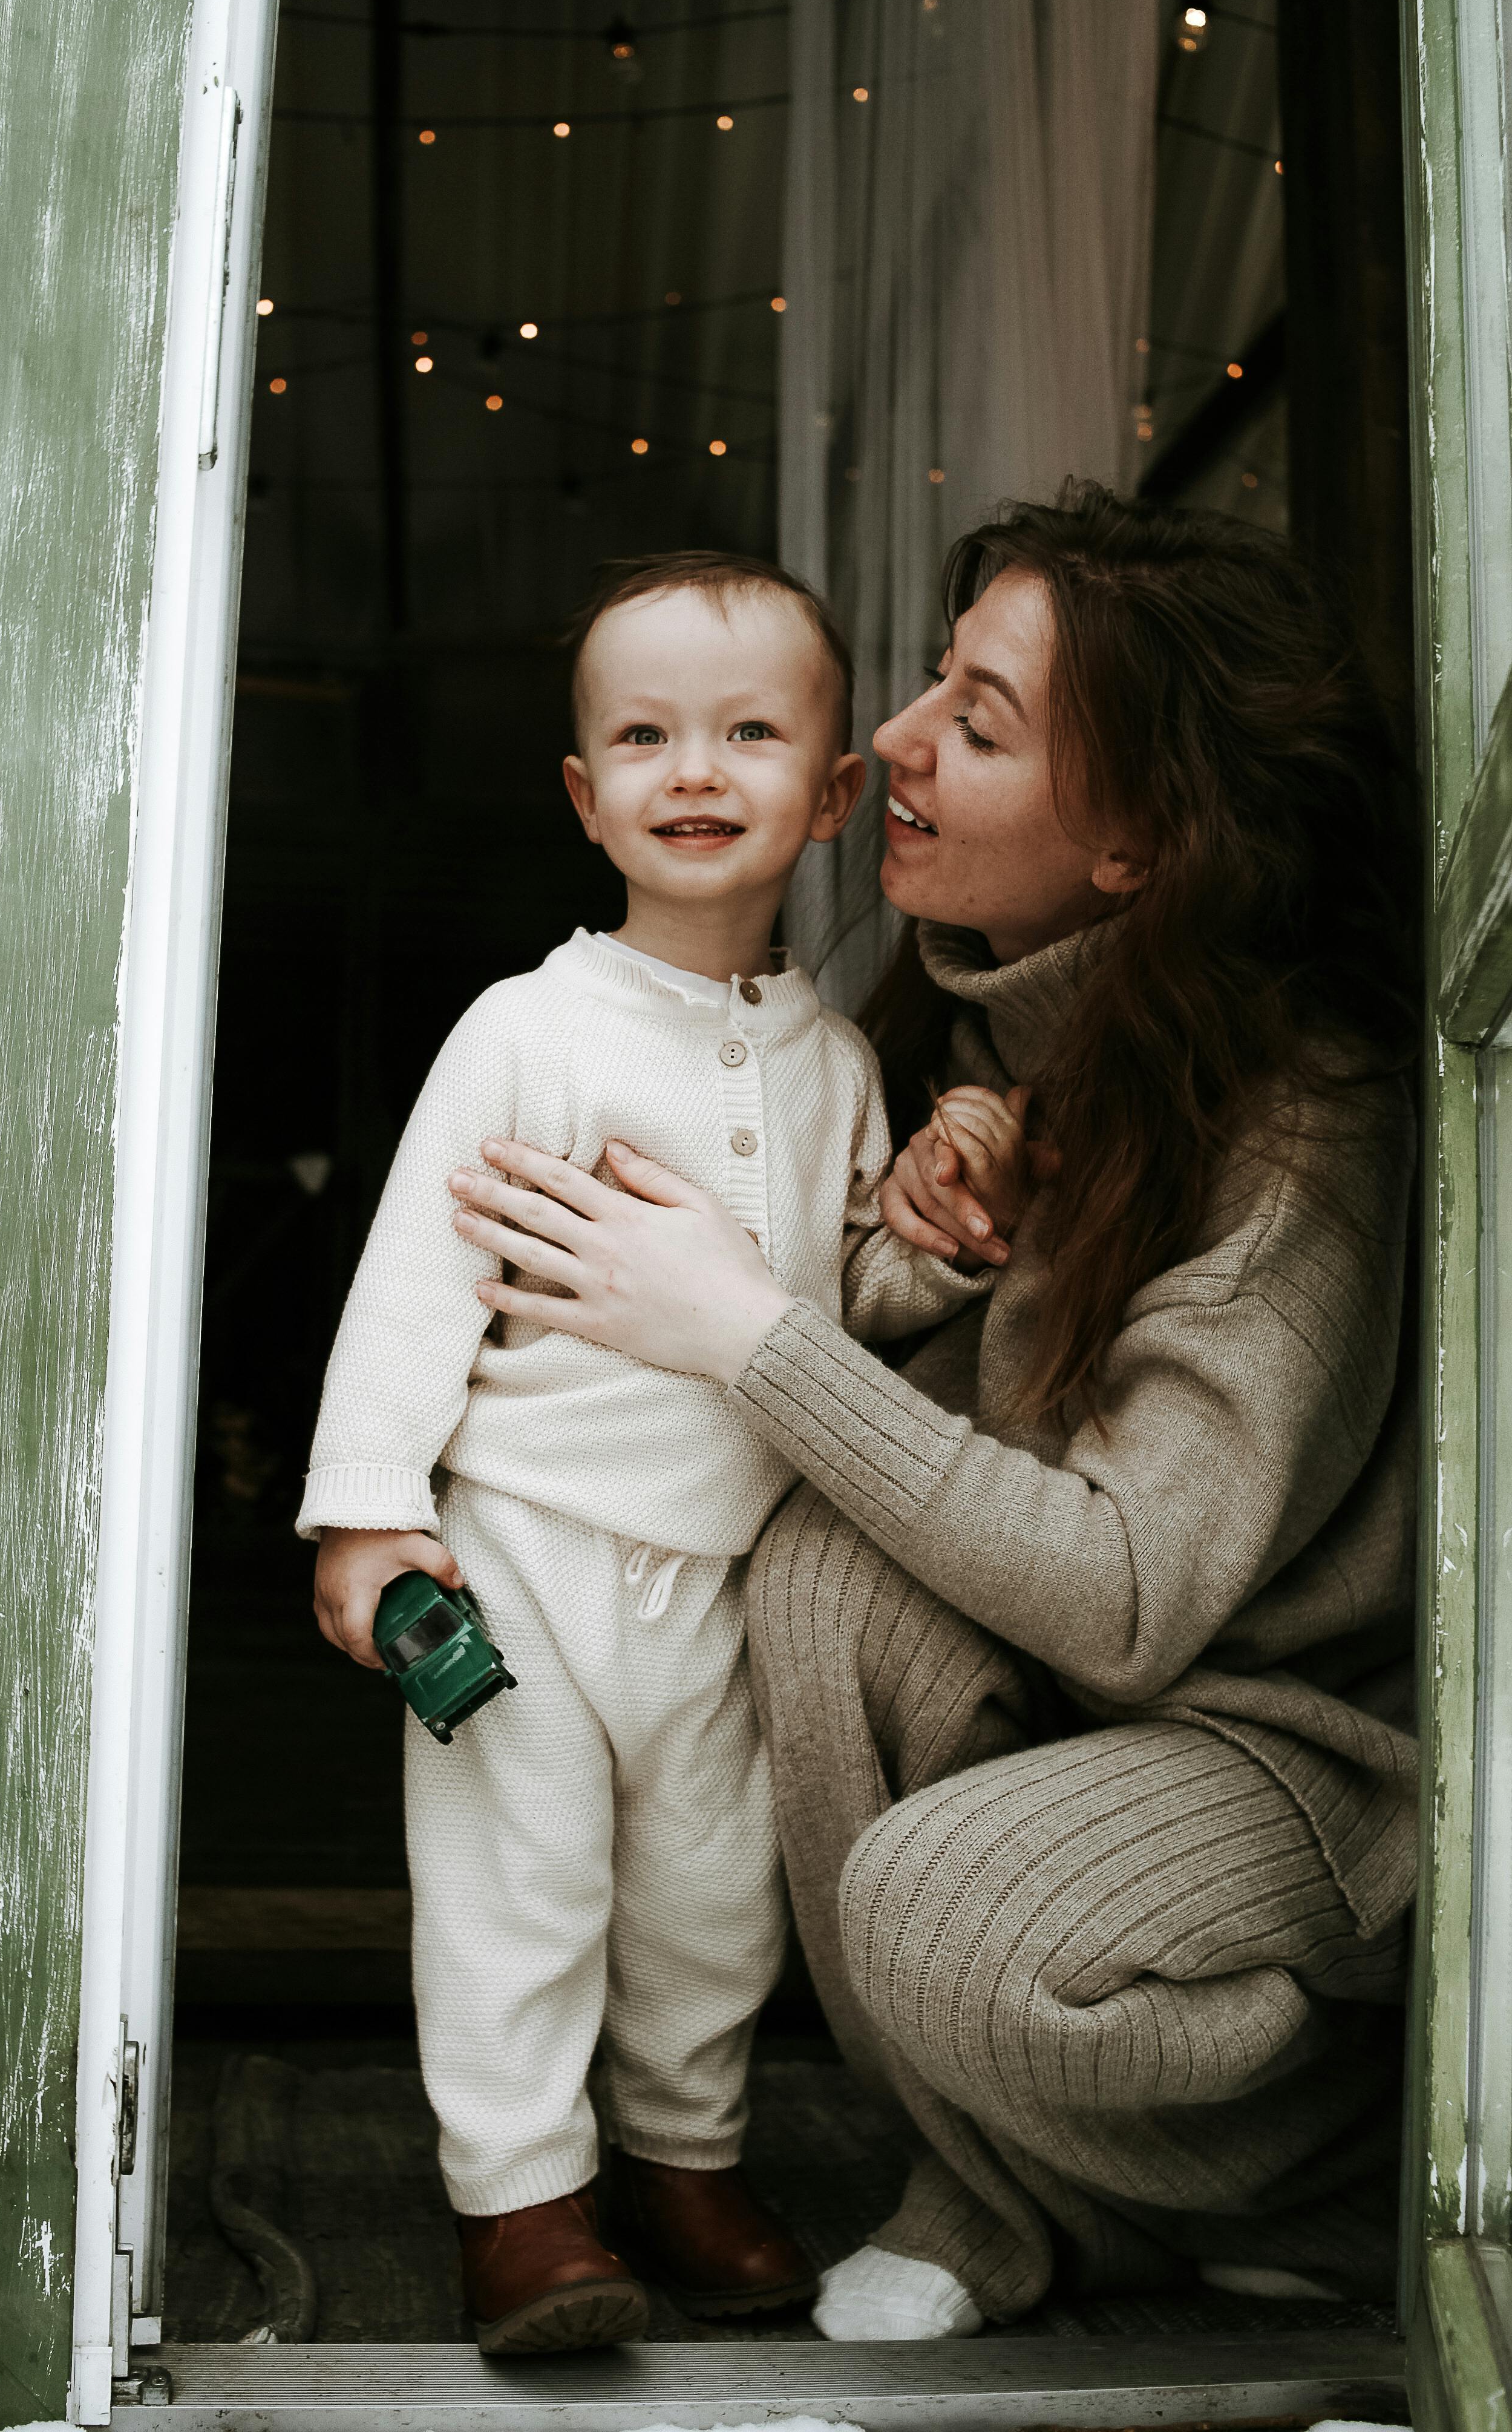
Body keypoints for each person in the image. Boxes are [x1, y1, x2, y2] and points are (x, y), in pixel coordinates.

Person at [443, 486, 1421, 2341]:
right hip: (1097, 1709)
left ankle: (1324, 2174)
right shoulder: (976, 1031)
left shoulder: (1300, 1139)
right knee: (816, 1570)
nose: (887, 741)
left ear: (1136, 842)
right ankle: (993, 2197)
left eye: (976, 725)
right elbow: (904, 1447)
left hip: (1292, 1768)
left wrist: (750, 1330)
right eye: (929, 687)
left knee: (937, 1912)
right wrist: (907, 1245)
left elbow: (1133, 1591)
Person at [299, 550, 979, 2355]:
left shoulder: (834, 1056)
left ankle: (683, 2161)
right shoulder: (529, 1032)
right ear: (589, 799)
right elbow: (416, 1280)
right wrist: (370, 1516)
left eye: (751, 732)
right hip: (526, 1546)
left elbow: (849, 1296)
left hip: (727, 1569)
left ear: (834, 796)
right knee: (521, 1891)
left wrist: (939, 1235)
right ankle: (521, 2204)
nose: (698, 768)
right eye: (648, 736)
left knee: (707, 1898)